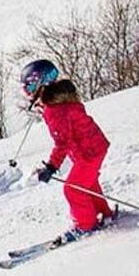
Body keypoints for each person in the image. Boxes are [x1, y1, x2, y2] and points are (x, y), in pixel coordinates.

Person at [20, 58, 114, 241]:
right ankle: (104, 213)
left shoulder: (55, 110)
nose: (27, 92)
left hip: (88, 152)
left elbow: (62, 143)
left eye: (29, 85)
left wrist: (51, 167)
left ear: (41, 83)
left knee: (73, 189)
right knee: (88, 184)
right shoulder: (58, 102)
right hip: (92, 148)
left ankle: (86, 225)